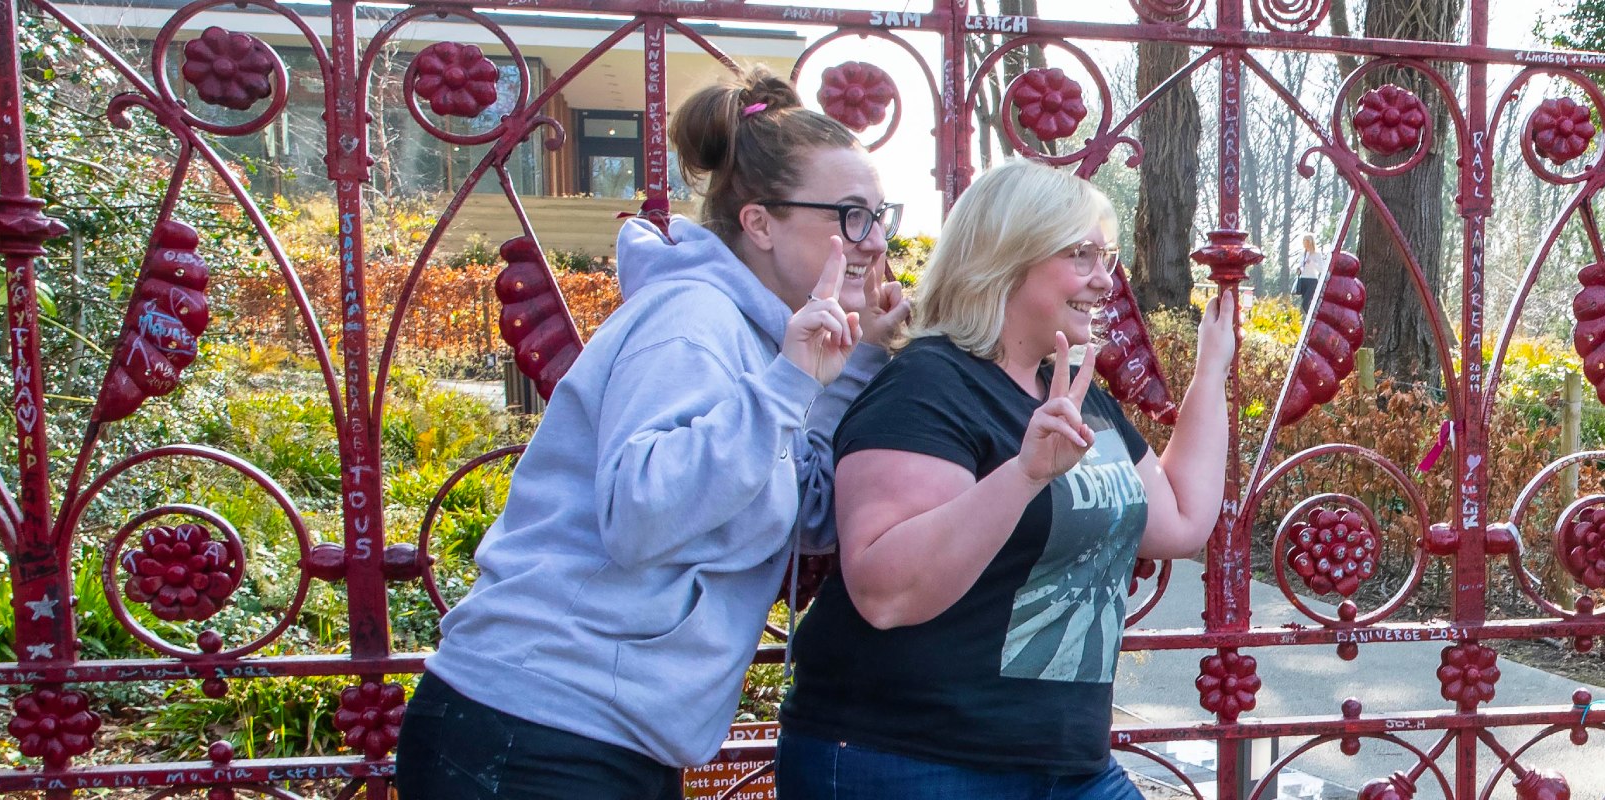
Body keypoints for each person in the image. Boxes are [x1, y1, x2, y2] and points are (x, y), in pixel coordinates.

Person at [398, 67, 907, 799]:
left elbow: (811, 517)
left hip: (607, 739)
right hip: (534, 731)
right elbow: (640, 514)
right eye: (851, 215)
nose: (875, 239)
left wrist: (851, 368)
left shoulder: (765, 345)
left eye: (880, 213)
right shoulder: (689, 322)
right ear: (759, 221)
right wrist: (793, 382)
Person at [772, 160, 1237, 799]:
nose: (1106, 281)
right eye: (1082, 256)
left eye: (1108, 258)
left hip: (1065, 764)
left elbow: (1180, 519)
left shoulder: (1070, 389)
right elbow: (886, 592)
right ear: (1007, 259)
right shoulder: (928, 386)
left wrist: (1213, 370)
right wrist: (1022, 476)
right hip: (913, 758)